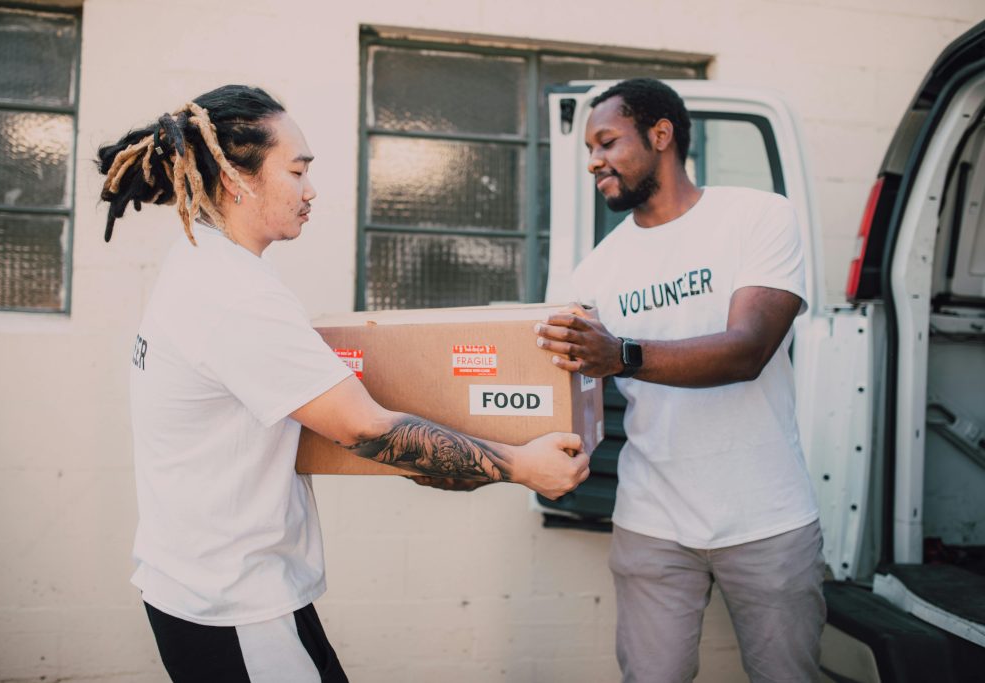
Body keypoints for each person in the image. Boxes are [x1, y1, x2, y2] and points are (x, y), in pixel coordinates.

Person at [98, 84, 590, 683]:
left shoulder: (203, 262)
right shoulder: (234, 295)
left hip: (215, 585)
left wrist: (447, 464)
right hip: (234, 600)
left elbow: (325, 421)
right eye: (297, 170)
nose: (311, 191)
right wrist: (519, 465)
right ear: (235, 178)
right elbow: (361, 427)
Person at [535, 78, 825, 682]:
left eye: (608, 142)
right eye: (590, 147)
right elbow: (561, 392)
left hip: (766, 517)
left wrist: (622, 356)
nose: (594, 161)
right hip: (652, 521)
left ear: (661, 135)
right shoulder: (596, 270)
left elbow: (748, 350)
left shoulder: (757, 217)